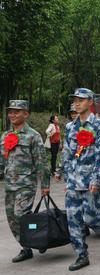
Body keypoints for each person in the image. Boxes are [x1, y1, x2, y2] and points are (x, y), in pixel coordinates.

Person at [63, 88, 100, 271]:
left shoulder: (98, 125)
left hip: (90, 180)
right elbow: (67, 154)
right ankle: (81, 254)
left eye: (81, 100)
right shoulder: (70, 127)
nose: (77, 103)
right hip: (73, 181)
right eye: (75, 100)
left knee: (92, 218)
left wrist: (96, 180)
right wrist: (67, 177)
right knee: (73, 219)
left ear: (90, 102)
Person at [0, 100, 50, 262]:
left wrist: (45, 185)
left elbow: (41, 162)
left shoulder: (33, 136)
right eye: (10, 112)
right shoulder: (5, 136)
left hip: (26, 184)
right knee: (11, 218)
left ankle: (38, 237)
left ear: (26, 114)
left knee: (22, 215)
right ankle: (26, 246)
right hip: (9, 184)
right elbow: (2, 160)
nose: (12, 115)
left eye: (17, 111)